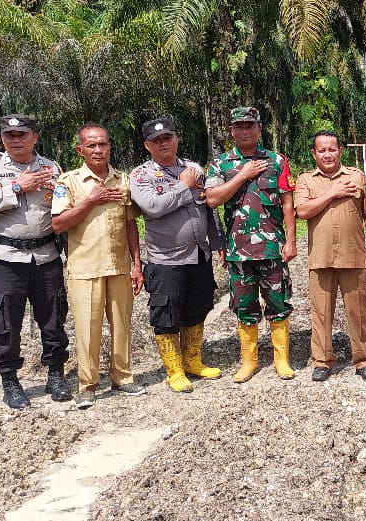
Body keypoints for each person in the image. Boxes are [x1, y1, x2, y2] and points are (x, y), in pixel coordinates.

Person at [0, 114, 71, 409]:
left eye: (22, 134)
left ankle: (55, 374)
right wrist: (16, 187)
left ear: (34, 137)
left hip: (46, 255)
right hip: (7, 258)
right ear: (2, 138)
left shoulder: (52, 168)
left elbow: (63, 206)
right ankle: (10, 381)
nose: (15, 140)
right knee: (6, 322)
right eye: (9, 135)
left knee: (53, 317)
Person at [51, 123, 146, 410]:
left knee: (122, 325)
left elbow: (130, 224)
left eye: (103, 144)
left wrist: (137, 264)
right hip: (85, 268)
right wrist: (91, 201)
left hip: (118, 266)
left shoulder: (122, 180)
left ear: (109, 147)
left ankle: (123, 377)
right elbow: (58, 224)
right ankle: (87, 385)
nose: (98, 150)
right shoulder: (69, 182)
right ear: (80, 149)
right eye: (91, 145)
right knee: (88, 329)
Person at [130, 117, 226, 393]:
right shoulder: (141, 175)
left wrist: (218, 241)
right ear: (147, 146)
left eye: (168, 138)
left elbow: (208, 207)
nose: (164, 144)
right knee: (166, 315)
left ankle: (193, 361)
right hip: (166, 260)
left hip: (198, 255)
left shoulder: (194, 169)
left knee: (197, 308)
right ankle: (174, 370)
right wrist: (183, 186)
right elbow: (153, 207)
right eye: (157, 140)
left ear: (176, 139)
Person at [206, 106, 298, 383]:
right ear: (231, 131)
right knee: (244, 307)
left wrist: (291, 241)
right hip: (238, 250)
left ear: (259, 129)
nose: (245, 131)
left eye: (250, 126)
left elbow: (287, 203)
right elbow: (213, 199)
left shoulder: (276, 161)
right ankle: (249, 361)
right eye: (239, 127)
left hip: (272, 249)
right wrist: (242, 175)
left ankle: (281, 360)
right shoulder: (221, 164)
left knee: (278, 303)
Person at [293, 130, 366, 383]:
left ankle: (364, 360)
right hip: (320, 258)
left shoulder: (357, 176)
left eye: (332, 149)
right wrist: (332, 192)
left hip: (353, 256)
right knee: (321, 313)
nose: (327, 154)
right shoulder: (305, 180)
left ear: (340, 151)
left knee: (358, 312)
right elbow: (303, 211)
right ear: (314, 153)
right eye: (322, 150)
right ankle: (322, 361)